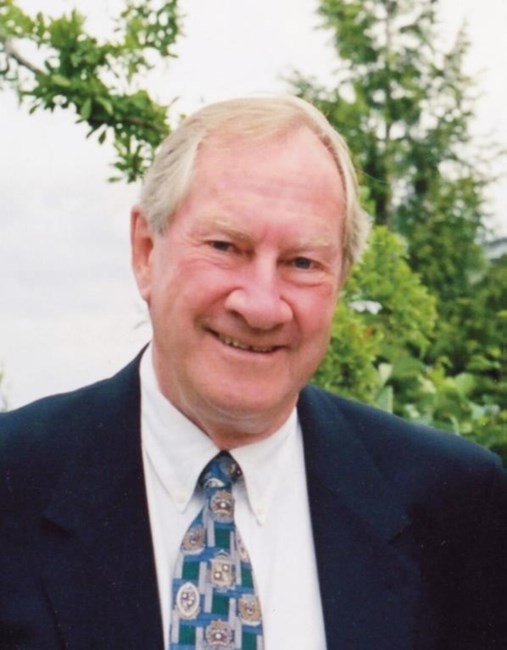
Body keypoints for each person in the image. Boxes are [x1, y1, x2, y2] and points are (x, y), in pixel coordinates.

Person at [1, 95, 506, 650]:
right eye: (225, 247)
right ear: (146, 251)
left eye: (302, 263)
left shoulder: (454, 502)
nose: (262, 306)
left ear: (340, 280)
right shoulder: (13, 480)